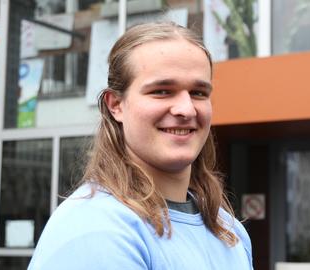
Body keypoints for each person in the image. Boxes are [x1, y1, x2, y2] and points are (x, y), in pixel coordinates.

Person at [28, 22, 253, 270]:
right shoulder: (95, 229)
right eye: (162, 91)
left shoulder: (230, 231)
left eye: (199, 93)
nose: (186, 109)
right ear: (116, 105)